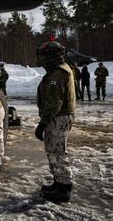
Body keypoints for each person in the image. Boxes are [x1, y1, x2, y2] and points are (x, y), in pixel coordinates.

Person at [34, 40, 76, 202]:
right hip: (58, 116)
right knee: (54, 150)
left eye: (44, 56)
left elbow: (54, 102)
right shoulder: (59, 70)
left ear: (51, 57)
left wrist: (42, 123)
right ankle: (59, 182)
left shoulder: (58, 74)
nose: (42, 59)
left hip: (58, 117)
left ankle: (64, 188)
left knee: (58, 151)